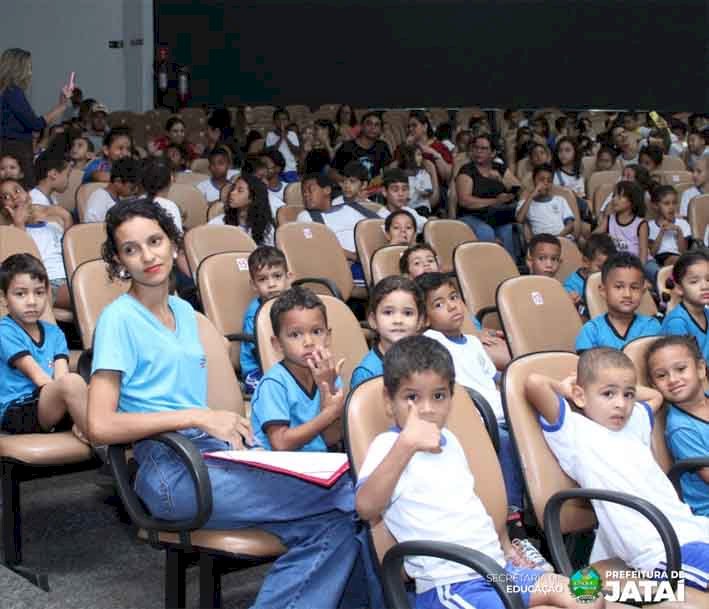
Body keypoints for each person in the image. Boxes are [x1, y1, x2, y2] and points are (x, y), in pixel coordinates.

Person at [88, 198, 379, 609]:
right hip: (171, 469)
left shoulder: (185, 313)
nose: (147, 256)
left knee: (332, 528)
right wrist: (198, 416)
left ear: (173, 244)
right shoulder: (118, 319)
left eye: (155, 241)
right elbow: (99, 425)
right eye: (131, 249)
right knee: (356, 494)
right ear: (119, 261)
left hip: (215, 458)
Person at [356, 336, 573, 609]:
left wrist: (505, 546)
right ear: (389, 401)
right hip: (451, 583)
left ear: (450, 398)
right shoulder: (388, 447)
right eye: (412, 397)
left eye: (438, 396)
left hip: (497, 572)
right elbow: (366, 507)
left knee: (587, 594)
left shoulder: (452, 441)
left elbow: (469, 507)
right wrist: (405, 446)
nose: (427, 409)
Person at [526, 348, 709, 594]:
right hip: (657, 546)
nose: (620, 404)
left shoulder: (634, 421)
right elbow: (534, 383)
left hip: (690, 527)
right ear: (580, 395)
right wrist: (568, 388)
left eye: (628, 395)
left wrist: (618, 387)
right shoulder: (573, 429)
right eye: (608, 394)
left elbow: (655, 396)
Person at [0, 253, 87, 438]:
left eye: (39, 293)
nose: (32, 301)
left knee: (97, 386)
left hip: (49, 402)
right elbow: (39, 377)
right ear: (4, 298)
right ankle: (101, 439)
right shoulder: (5, 331)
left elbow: (61, 375)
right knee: (74, 384)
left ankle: (83, 427)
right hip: (19, 410)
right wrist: (72, 394)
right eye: (20, 294)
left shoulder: (55, 333)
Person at [251, 286, 348, 452]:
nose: (309, 342)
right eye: (295, 335)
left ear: (328, 336)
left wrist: (328, 388)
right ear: (277, 344)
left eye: (317, 331)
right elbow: (280, 444)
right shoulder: (274, 383)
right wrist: (329, 414)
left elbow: (332, 438)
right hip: (276, 470)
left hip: (317, 466)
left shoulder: (329, 376)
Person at [647, 336, 709, 517]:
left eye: (681, 369)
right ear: (654, 385)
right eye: (661, 376)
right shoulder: (681, 429)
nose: (673, 379)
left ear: (700, 369)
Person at [0, 48, 72, 188]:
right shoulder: (12, 92)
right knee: (24, 194)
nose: (30, 73)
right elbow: (34, 124)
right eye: (28, 68)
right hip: (15, 151)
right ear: (17, 69)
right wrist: (61, 106)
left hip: (8, 148)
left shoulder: (6, 92)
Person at [0, 178, 71, 308]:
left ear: (28, 195)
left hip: (71, 276)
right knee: (86, 292)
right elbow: (23, 264)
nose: (14, 197)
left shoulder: (53, 225)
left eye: (17, 190)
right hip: (47, 283)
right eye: (6, 197)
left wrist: (66, 217)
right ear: (5, 209)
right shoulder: (10, 233)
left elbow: (71, 252)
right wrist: (19, 224)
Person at [297, 172, 378, 284]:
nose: (306, 195)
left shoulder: (352, 208)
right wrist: (356, 257)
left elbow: (381, 227)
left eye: (310, 190)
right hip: (342, 268)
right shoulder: (305, 217)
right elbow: (318, 247)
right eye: (303, 192)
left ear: (327, 190)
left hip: (370, 261)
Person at [575, 253, 661, 352]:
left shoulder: (651, 326)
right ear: (603, 291)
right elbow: (586, 365)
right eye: (619, 287)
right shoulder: (591, 331)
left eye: (634, 287)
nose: (627, 294)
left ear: (643, 291)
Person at [351, 276, 424, 391]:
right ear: (373, 320)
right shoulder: (367, 373)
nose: (398, 320)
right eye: (388, 312)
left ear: (420, 321)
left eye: (408, 313)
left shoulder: (427, 360)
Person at [455, 134, 521, 257]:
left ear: (493, 153)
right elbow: (464, 201)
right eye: (476, 148)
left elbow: (518, 189)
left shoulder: (500, 168)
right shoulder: (467, 170)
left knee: (508, 231)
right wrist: (495, 201)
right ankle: (488, 268)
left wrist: (501, 180)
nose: (478, 151)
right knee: (485, 231)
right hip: (471, 216)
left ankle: (511, 270)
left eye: (483, 148)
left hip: (497, 216)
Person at [240, 246, 291, 393]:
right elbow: (259, 352)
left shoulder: (292, 305)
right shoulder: (254, 314)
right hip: (258, 368)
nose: (271, 284)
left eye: (277, 276)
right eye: (262, 279)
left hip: (286, 362)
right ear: (253, 285)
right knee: (272, 392)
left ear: (288, 277)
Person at [661, 250, 709, 359]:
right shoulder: (677, 322)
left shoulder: (707, 313)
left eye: (708, 279)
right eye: (694, 282)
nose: (705, 286)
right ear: (679, 288)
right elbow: (682, 363)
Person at [209, 174, 276, 246]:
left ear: (253, 198)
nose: (232, 193)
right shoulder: (219, 223)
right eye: (233, 189)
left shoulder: (267, 228)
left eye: (240, 190)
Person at [331, 112, 392, 185]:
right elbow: (332, 173)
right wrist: (349, 182)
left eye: (377, 125)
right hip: (350, 190)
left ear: (380, 129)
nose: (373, 128)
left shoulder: (382, 146)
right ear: (362, 126)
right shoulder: (347, 146)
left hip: (374, 189)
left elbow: (387, 170)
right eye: (369, 124)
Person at [596, 181, 649, 265]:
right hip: (618, 262)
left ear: (632, 201)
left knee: (654, 271)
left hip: (638, 262)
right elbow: (594, 237)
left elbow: (643, 253)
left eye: (620, 197)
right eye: (614, 196)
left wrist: (639, 271)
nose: (614, 199)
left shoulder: (641, 224)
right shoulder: (609, 219)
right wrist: (604, 238)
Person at [516, 165, 575, 238]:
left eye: (549, 180)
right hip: (541, 242)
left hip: (562, 237)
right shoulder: (526, 203)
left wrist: (557, 238)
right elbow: (519, 219)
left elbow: (570, 225)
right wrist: (531, 196)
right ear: (533, 180)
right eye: (541, 180)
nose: (545, 183)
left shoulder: (560, 200)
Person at [563, 234, 617, 313]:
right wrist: (572, 301)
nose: (605, 272)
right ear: (586, 262)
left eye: (609, 268)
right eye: (600, 268)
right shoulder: (572, 285)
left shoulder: (609, 279)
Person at [84, 157, 142, 223]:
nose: (136, 191)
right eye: (132, 188)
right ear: (118, 182)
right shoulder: (100, 197)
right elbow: (90, 225)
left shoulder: (120, 199)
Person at [648, 185, 690, 267]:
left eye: (674, 203)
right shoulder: (649, 226)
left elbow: (684, 252)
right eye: (666, 203)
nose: (671, 207)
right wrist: (661, 232)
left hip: (679, 258)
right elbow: (652, 254)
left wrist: (679, 231)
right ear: (655, 206)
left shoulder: (683, 224)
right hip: (658, 260)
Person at [405, 110, 452, 182]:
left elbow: (448, 176)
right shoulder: (403, 147)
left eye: (414, 125)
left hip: (437, 188)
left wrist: (434, 153)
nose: (410, 129)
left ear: (425, 127)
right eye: (408, 126)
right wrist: (406, 149)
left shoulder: (439, 146)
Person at [378, 169, 427, 233]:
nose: (401, 194)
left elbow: (426, 225)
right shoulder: (380, 218)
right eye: (395, 190)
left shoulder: (410, 211)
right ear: (384, 191)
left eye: (404, 189)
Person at [398, 144, 435, 215]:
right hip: (406, 207)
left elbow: (429, 191)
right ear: (408, 157)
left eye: (421, 155)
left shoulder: (423, 174)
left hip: (421, 206)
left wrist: (424, 193)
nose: (421, 158)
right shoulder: (400, 175)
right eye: (418, 155)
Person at [265, 108, 300, 182]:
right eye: (278, 119)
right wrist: (281, 138)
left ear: (288, 121)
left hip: (291, 170)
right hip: (276, 171)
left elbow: (296, 151)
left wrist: (286, 138)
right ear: (274, 121)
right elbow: (271, 152)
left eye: (284, 119)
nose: (281, 122)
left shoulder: (292, 134)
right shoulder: (270, 135)